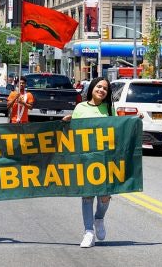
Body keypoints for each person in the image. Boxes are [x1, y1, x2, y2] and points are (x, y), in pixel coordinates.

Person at [62, 77, 115, 248]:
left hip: (104, 157)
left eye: (105, 88)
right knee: (87, 194)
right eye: (99, 86)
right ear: (92, 88)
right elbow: (73, 132)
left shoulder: (109, 108)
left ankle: (99, 218)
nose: (101, 90)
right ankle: (88, 232)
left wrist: (135, 119)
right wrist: (66, 123)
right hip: (85, 157)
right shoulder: (80, 107)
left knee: (104, 196)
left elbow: (118, 128)